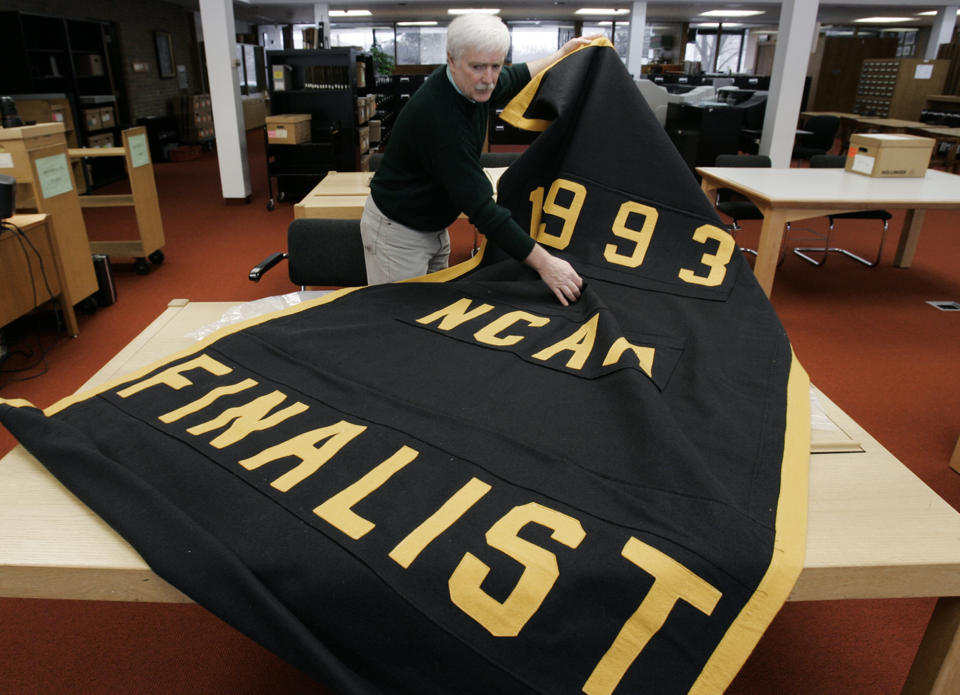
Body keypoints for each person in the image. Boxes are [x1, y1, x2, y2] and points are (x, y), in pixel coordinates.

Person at [360, 14, 594, 306]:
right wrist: (547, 264)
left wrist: (561, 55)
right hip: (398, 233)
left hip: (431, 226)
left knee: (429, 313)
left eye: (496, 65)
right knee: (398, 320)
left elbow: (515, 76)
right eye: (478, 67)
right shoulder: (441, 121)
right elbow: (483, 210)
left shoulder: (469, 84)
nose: (488, 79)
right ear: (451, 60)